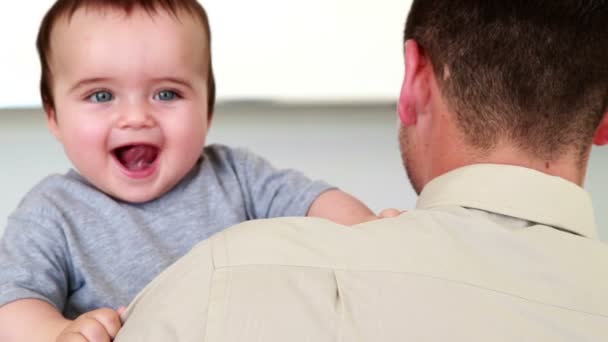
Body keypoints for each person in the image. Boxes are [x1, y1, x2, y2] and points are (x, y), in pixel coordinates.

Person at [114, 0, 608, 340]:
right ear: (603, 121)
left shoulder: (219, 283)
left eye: (166, 93)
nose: (136, 116)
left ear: (415, 78)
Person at [0, 1, 375, 341]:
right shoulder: (51, 213)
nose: (135, 118)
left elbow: (315, 203)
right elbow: (13, 301)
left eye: (167, 94)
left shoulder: (237, 175)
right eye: (101, 95)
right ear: (54, 116)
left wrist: (373, 234)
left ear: (208, 110)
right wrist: (59, 332)